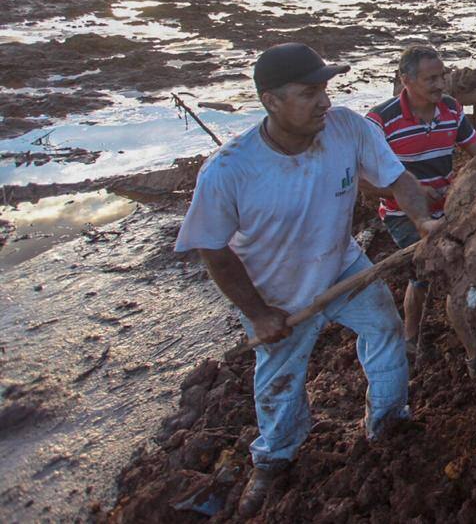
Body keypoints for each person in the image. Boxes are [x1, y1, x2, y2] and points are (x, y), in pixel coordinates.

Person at [176, 43, 440, 516]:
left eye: (325, 89)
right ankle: (275, 458)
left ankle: (388, 423)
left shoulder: (347, 129)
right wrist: (257, 313)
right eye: (308, 93)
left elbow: (397, 180)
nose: (324, 102)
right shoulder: (230, 170)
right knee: (279, 380)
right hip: (276, 292)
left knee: (384, 329)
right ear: (271, 101)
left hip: (342, 264)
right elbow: (212, 247)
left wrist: (422, 223)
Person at [365, 45, 476, 352]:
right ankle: (416, 339)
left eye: (442, 76)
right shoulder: (380, 121)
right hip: (402, 214)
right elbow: (363, 180)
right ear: (405, 80)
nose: (440, 85)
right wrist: (408, 191)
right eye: (430, 79)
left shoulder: (451, 110)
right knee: (428, 273)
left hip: (449, 206)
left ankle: (474, 337)